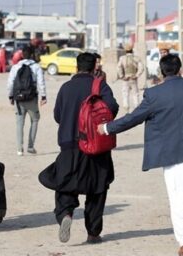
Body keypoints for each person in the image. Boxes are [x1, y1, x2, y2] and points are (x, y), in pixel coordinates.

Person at [97, 54, 183, 256]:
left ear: (161, 72)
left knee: (179, 199)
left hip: (175, 156)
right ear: (180, 70)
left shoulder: (154, 94)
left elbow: (133, 118)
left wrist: (107, 128)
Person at [39, 52, 119, 244]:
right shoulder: (99, 85)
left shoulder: (65, 87)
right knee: (97, 189)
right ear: (94, 68)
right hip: (95, 145)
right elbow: (112, 109)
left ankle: (65, 214)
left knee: (65, 184)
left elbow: (58, 115)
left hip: (69, 145)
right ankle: (93, 232)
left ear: (76, 67)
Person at [7, 46, 46, 156]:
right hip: (32, 98)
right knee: (35, 120)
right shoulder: (37, 67)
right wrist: (43, 96)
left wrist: (10, 96)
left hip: (19, 99)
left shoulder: (16, 67)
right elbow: (41, 83)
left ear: (22, 55)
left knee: (19, 123)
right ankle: (30, 146)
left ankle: (19, 149)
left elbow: (10, 83)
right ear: (32, 54)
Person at [116, 44, 144, 112]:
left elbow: (118, 67)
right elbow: (141, 68)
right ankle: (136, 108)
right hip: (133, 78)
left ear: (125, 51)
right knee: (135, 94)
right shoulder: (136, 58)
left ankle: (126, 107)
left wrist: (122, 76)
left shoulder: (122, 58)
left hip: (125, 78)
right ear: (132, 50)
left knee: (125, 93)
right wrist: (137, 75)